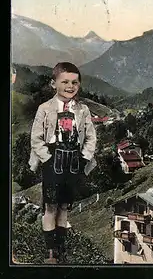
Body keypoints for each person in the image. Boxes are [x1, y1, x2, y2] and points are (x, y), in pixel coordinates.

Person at [29, 62, 97, 264]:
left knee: (65, 205)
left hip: (74, 160)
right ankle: (50, 252)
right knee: (51, 206)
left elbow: (91, 137)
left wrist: (84, 157)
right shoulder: (45, 108)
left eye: (74, 82)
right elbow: (36, 138)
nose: (70, 86)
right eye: (65, 81)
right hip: (53, 159)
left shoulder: (82, 110)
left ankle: (61, 248)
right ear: (53, 83)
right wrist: (47, 158)